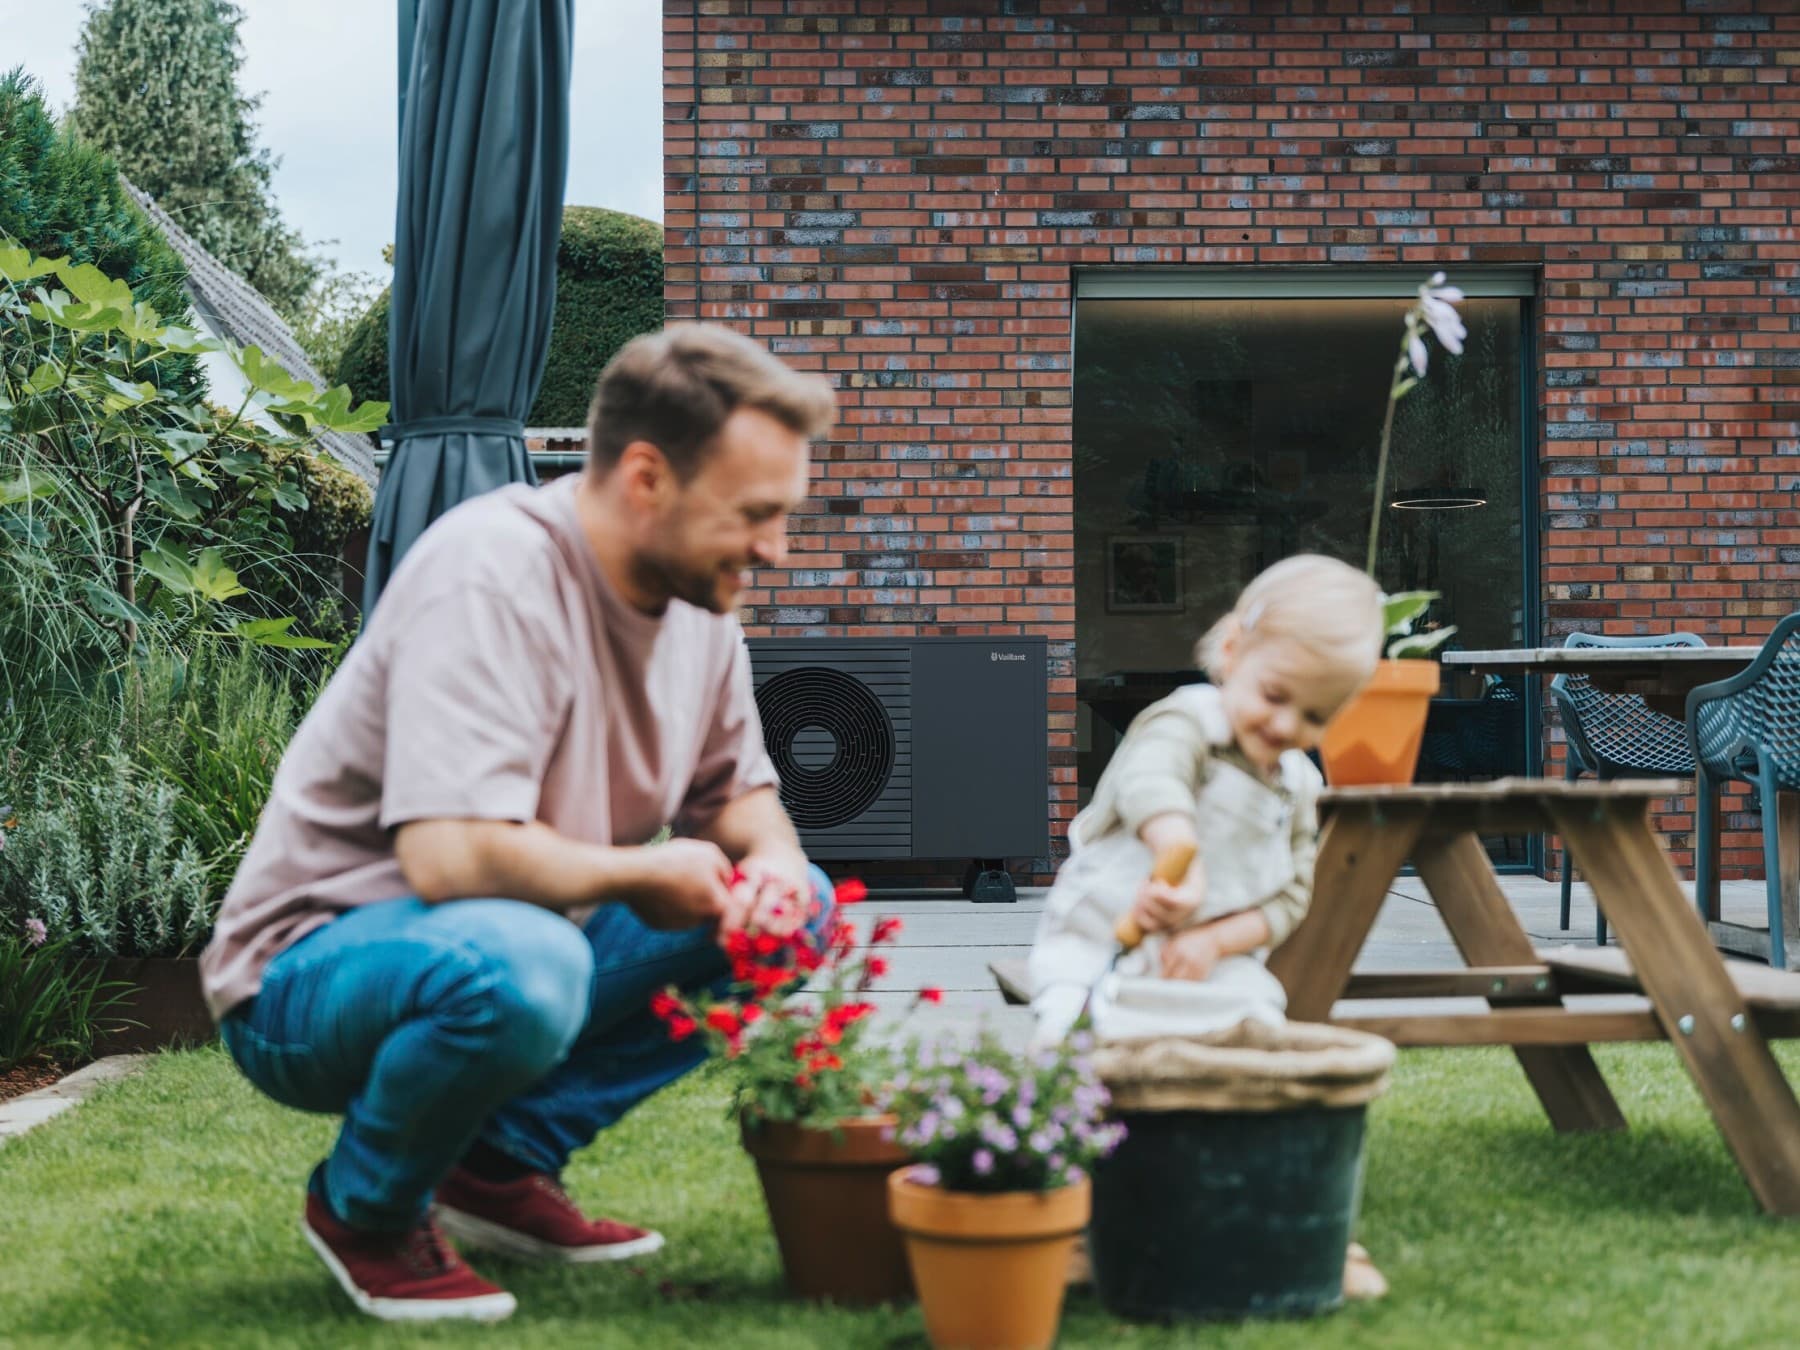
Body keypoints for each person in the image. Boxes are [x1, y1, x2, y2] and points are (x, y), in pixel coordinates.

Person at [199, 324, 838, 1324]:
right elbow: (449, 856)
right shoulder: (491, 573)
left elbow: (739, 796)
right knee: (529, 963)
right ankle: (364, 1208)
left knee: (798, 913)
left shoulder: (701, 606)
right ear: (645, 477)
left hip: (515, 935)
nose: (775, 548)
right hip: (304, 979)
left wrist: (777, 863)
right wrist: (641, 875)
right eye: (755, 514)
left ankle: (498, 1166)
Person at [1028, 554, 1384, 1047]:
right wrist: (1180, 857)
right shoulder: (1188, 722)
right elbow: (1152, 783)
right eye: (1275, 695)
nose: (1286, 725)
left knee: (1257, 1026)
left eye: (1315, 717)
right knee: (1076, 1039)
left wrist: (1215, 940)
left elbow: (1291, 897)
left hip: (1209, 962)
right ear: (1234, 652)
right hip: (1103, 942)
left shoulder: (1299, 783)